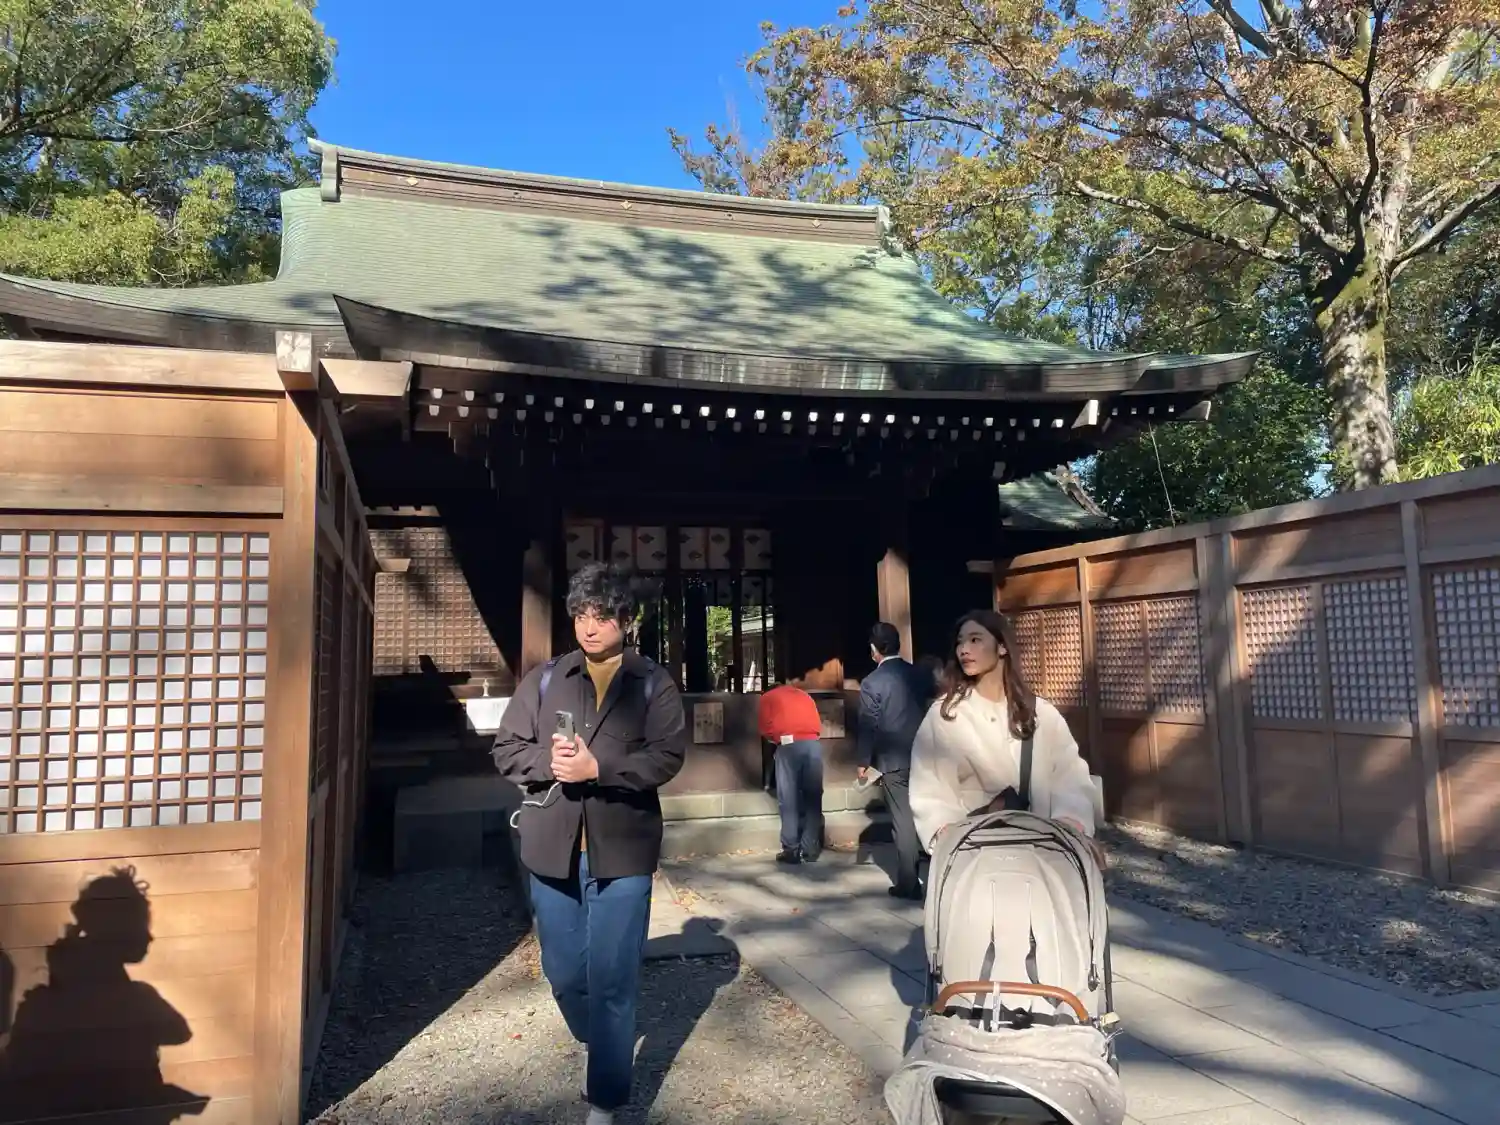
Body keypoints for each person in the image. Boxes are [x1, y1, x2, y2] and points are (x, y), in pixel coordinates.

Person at [492, 562, 687, 1125]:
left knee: (613, 978)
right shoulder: (547, 678)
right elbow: (506, 748)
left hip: (622, 850)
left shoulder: (652, 682)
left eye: (602, 616)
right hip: (552, 848)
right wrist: (547, 762)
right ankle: (597, 1038)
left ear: (626, 619)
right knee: (564, 973)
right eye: (581, 614)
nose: (589, 626)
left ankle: (605, 1098)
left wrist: (599, 768)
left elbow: (666, 756)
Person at [910, 610, 1099, 857]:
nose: (964, 649)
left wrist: (1070, 822)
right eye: (960, 642)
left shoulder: (1041, 713)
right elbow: (929, 785)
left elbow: (1070, 774)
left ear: (1002, 647)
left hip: (1043, 850)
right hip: (975, 852)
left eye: (975, 640)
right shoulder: (946, 714)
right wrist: (943, 830)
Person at [856, 622, 936, 899]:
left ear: (874, 649)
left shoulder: (871, 682)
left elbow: (868, 724)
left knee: (902, 819)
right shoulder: (920, 675)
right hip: (925, 755)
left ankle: (909, 882)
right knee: (927, 812)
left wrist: (863, 761)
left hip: (893, 760)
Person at [757, 675, 824, 865]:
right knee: (813, 797)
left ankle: (791, 849)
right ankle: (810, 848)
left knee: (789, 797)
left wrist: (774, 740)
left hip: (789, 746)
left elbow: (765, 728)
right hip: (813, 745)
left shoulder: (768, 697)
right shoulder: (804, 695)